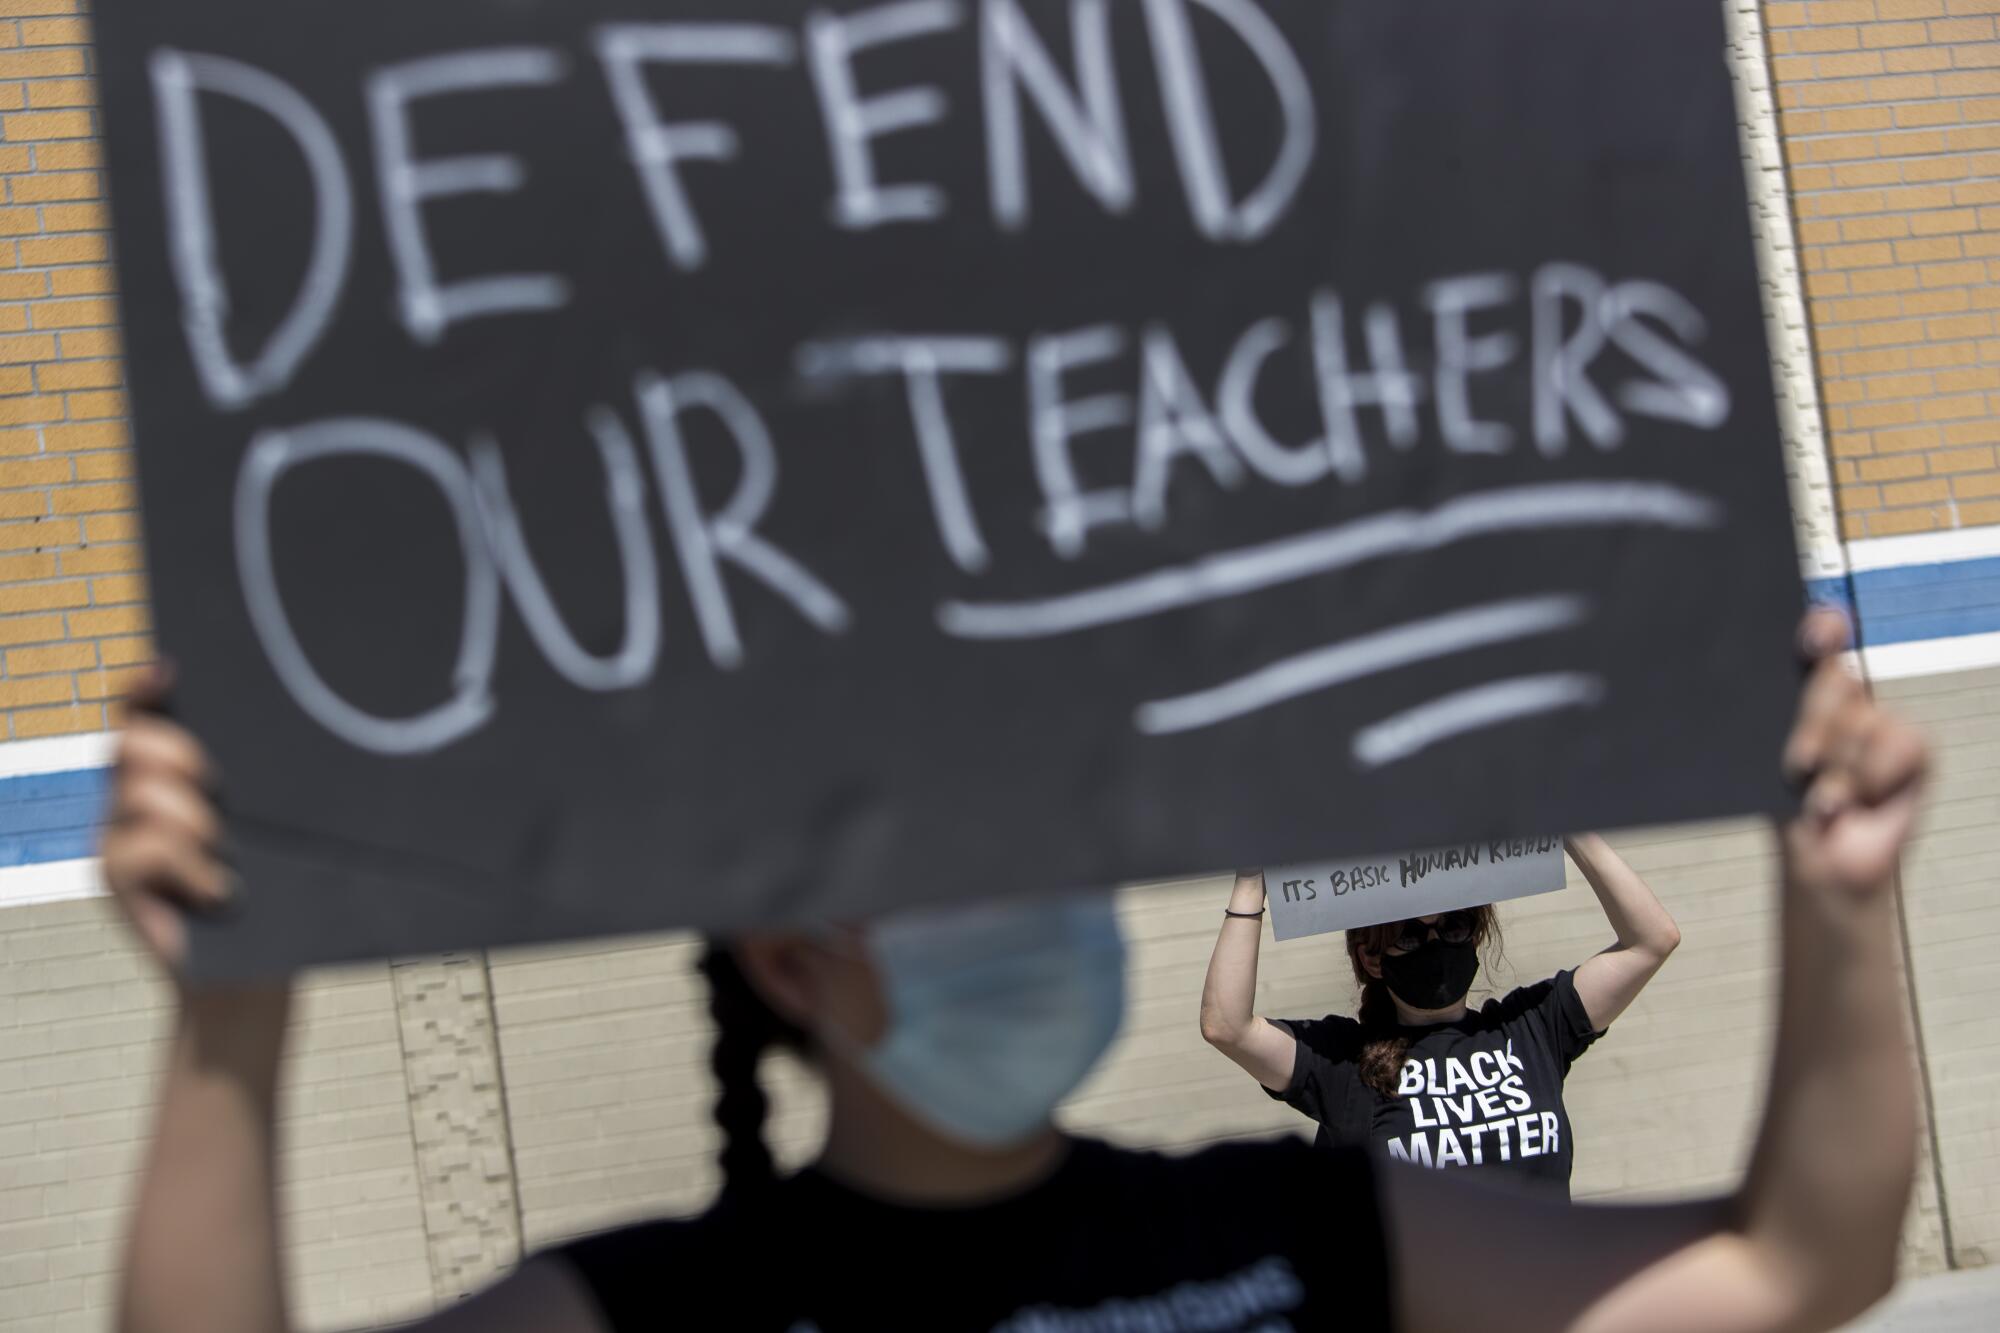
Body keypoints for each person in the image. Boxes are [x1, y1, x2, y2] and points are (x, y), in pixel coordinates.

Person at [110, 610, 1925, 1332]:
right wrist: (230, 1007)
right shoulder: (662, 1310)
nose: (1030, 906)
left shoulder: (1283, 1245)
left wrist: (1839, 901)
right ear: (793, 960)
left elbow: (1796, 1261)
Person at [1200, 836, 1680, 1196]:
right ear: (1372, 958)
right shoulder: (1344, 1064)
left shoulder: (1532, 1026)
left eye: (1454, 926)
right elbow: (1227, 1026)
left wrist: (1571, 829)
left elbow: (1652, 940)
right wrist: (1250, 881)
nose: (1435, 941)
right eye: (1410, 934)